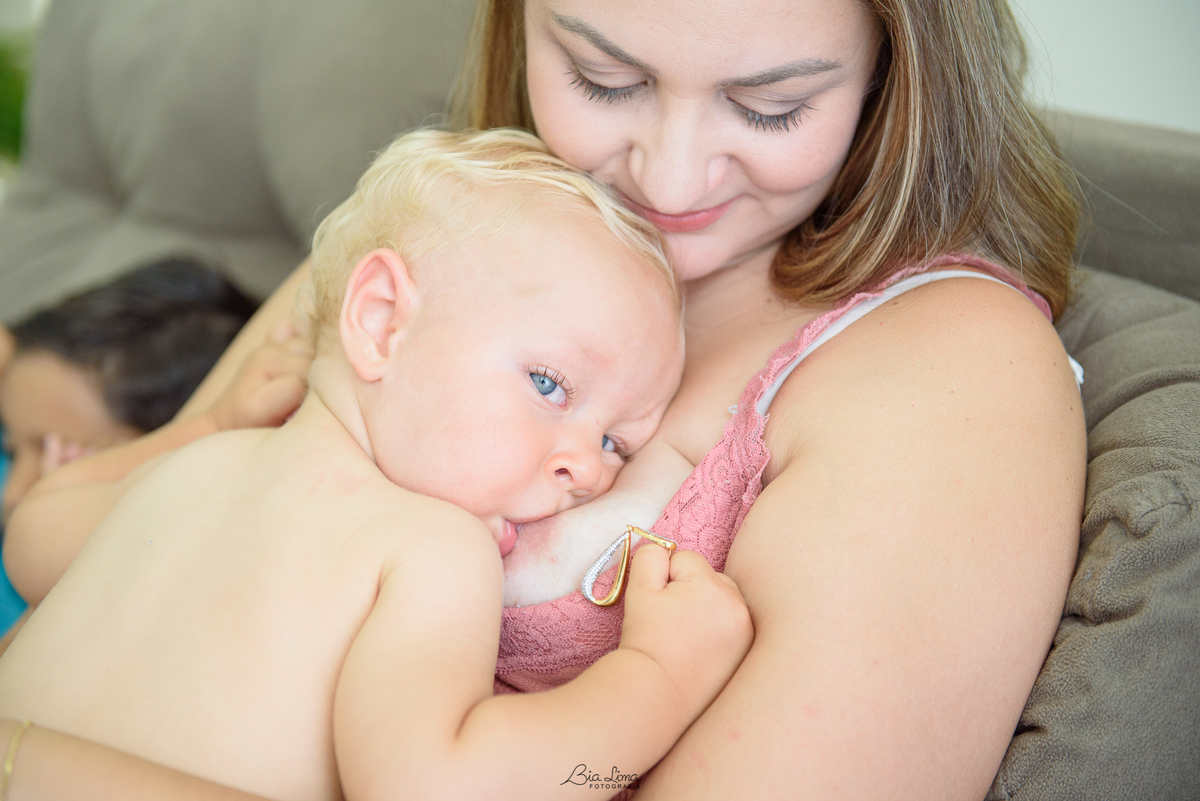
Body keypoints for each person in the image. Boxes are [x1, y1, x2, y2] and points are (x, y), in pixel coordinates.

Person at [0, 0, 1088, 798]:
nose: (668, 181)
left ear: (893, 65)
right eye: (604, 78)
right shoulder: (453, 240)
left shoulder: (948, 371)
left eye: (771, 105)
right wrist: (658, 678)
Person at [0, 128, 752, 800]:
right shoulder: (426, 545)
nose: (589, 470)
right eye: (549, 384)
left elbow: (32, 541)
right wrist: (660, 677)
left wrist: (204, 424)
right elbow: (441, 788)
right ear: (382, 321)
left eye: (618, 443)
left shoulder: (202, 463)